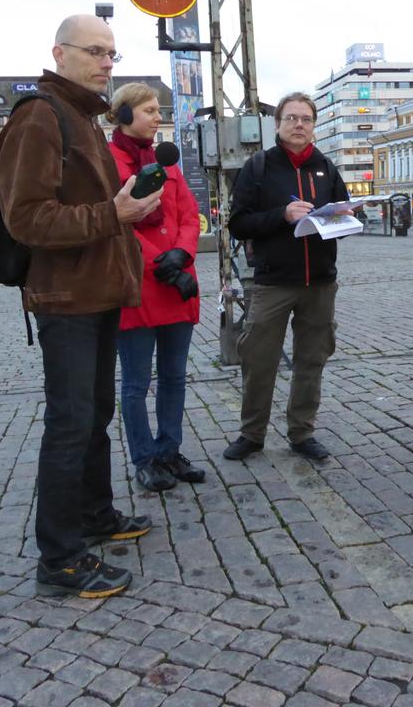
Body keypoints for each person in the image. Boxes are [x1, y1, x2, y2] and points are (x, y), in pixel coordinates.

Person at [0, 14, 163, 598]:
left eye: (111, 54)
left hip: (97, 292)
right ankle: (60, 559)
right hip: (64, 299)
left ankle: (95, 516)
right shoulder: (39, 115)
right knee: (70, 424)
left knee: (94, 415)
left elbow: (100, 206)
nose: (105, 62)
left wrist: (128, 209)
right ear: (59, 54)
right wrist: (111, 214)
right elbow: (26, 217)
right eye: (93, 51)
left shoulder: (85, 118)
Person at [222, 92, 350, 462]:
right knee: (259, 361)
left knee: (312, 360)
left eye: (306, 119)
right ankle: (251, 433)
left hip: (320, 282)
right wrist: (283, 215)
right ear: (277, 125)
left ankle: (302, 432)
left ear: (314, 125)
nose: (299, 125)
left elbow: (341, 216)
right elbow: (238, 223)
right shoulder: (259, 166)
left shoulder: (326, 166)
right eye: (291, 118)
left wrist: (342, 219)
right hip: (273, 282)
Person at [106, 82, 205, 493]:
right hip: (137, 288)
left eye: (157, 109)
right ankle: (144, 459)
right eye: (148, 110)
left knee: (174, 377)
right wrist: (159, 264)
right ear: (125, 115)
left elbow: (188, 213)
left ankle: (169, 451)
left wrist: (182, 254)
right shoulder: (107, 162)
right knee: (135, 383)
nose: (156, 116)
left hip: (177, 283)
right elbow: (116, 224)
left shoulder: (167, 161)